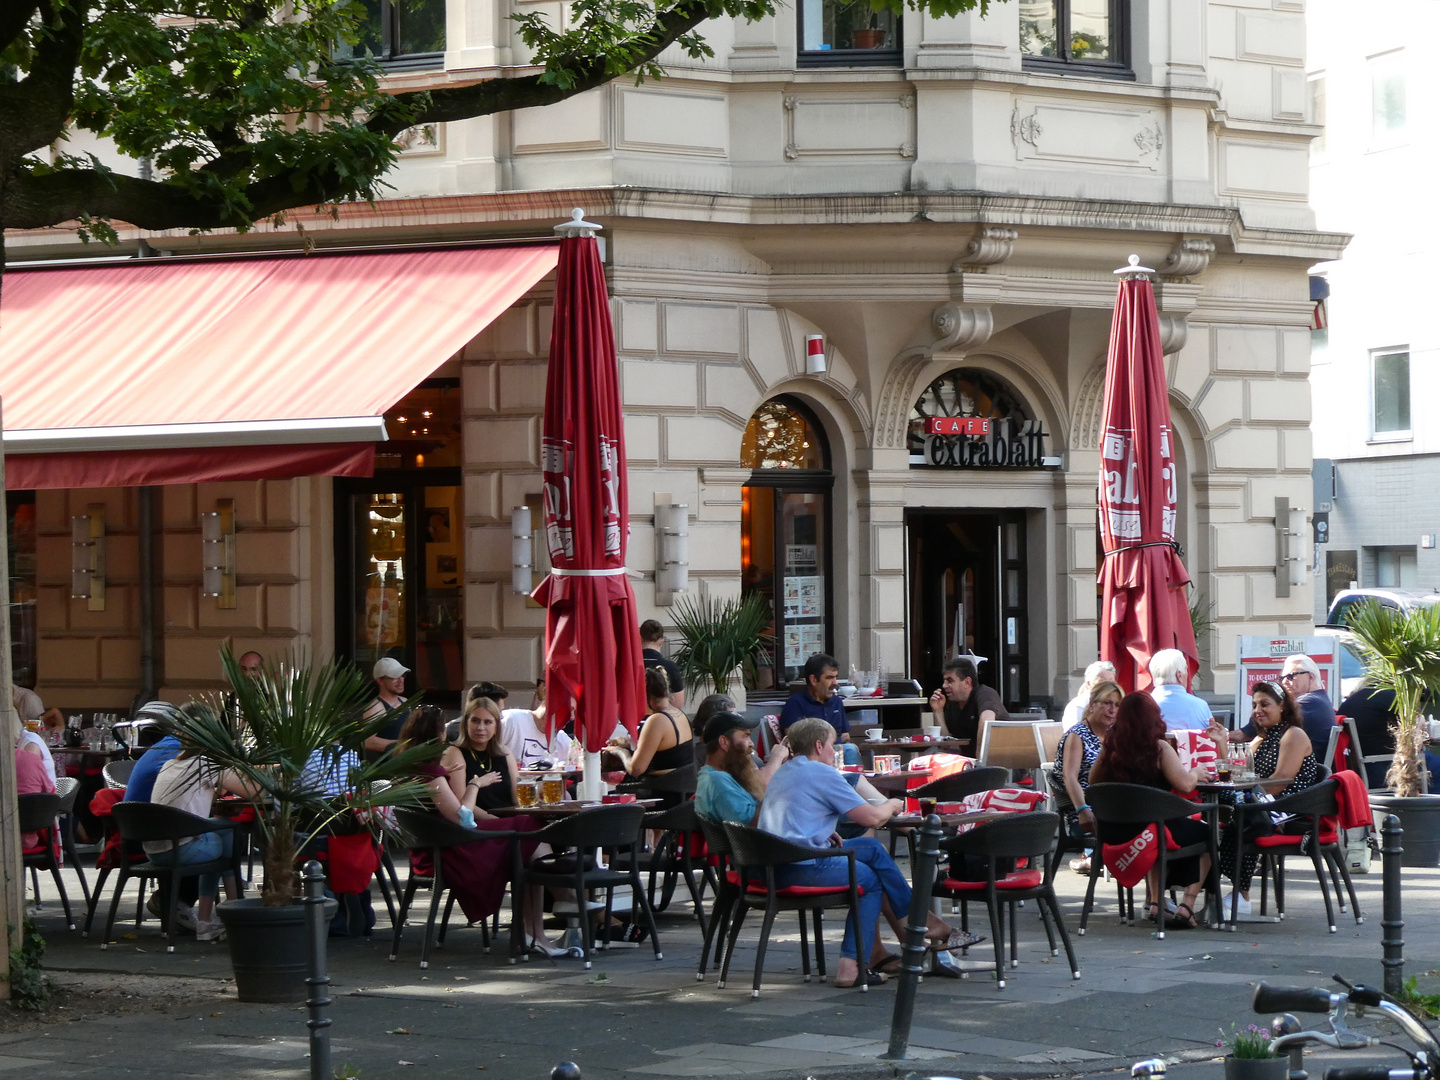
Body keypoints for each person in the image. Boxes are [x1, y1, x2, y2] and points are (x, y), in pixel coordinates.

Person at [757, 717, 979, 988]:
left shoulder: (787, 770)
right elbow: (873, 818)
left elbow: (793, 811)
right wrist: (893, 804)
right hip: (800, 866)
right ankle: (851, 965)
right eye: (831, 744)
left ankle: (913, 928)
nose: (834, 750)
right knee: (869, 880)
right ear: (818, 745)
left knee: (872, 848)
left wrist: (819, 829)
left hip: (774, 863)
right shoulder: (822, 772)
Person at [398, 705, 561, 956]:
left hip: (435, 846)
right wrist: (475, 783)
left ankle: (545, 920)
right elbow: (463, 818)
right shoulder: (430, 774)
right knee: (528, 828)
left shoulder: (408, 767)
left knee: (527, 837)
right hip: (447, 853)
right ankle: (564, 900)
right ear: (438, 734)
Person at [1088, 692, 1214, 929]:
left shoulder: (1110, 750)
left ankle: (1156, 902)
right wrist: (1196, 772)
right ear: (1153, 718)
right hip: (1152, 832)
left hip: (1115, 833)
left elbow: (1093, 783)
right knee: (1208, 834)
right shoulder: (1159, 749)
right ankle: (1187, 905)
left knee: (1159, 826)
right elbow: (1185, 784)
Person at [1216, 681, 1323, 914]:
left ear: (1282, 706)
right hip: (1265, 806)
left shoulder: (1294, 735)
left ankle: (1239, 895)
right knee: (1225, 807)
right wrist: (1221, 745)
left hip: (1292, 810)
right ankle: (1217, 886)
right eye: (1254, 705)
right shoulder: (1259, 739)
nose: (1257, 710)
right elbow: (1237, 775)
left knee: (1241, 815)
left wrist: (1243, 791)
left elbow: (1279, 782)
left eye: (1265, 704)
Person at [145, 741, 255, 942]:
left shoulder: (170, 763)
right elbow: (256, 792)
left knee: (222, 828)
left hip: (154, 850)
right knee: (228, 834)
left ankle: (217, 917)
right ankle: (232, 912)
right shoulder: (207, 763)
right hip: (180, 849)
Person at [1212, 655, 1337, 762]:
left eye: (1291, 676)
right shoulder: (1319, 700)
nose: (1285, 682)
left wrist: (1217, 736)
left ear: (1310, 677)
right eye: (1282, 678)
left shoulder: (1308, 703)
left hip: (1300, 782)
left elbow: (1244, 736)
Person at [1053, 679, 1122, 856]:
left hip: (1113, 807)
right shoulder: (1077, 735)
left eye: (1117, 705)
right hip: (1086, 813)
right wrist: (1083, 809)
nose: (1112, 710)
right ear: (1092, 705)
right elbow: (1070, 777)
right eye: (1107, 703)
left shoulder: (1114, 734)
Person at [695, 710, 790, 826]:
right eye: (746, 736)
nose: (752, 744)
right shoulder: (717, 780)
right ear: (724, 742)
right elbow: (753, 822)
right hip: (758, 843)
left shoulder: (719, 775)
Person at [1339, 686, 1440, 790]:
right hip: (1387, 769)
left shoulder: (1353, 699)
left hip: (1357, 770)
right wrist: (1421, 723)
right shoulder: (1392, 697)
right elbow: (1416, 745)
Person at [441, 696, 520, 815]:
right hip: (478, 825)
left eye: (487, 722)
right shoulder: (454, 752)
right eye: (475, 721)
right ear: (466, 723)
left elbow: (517, 798)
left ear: (496, 727)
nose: (480, 728)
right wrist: (498, 822)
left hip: (511, 820)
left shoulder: (505, 753)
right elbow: (461, 805)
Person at [621, 667, 695, 787]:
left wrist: (621, 752)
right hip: (682, 792)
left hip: (659, 793)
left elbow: (636, 769)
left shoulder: (657, 720)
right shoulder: (680, 714)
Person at [778, 653, 857, 766]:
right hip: (811, 758)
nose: (835, 683)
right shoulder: (796, 703)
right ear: (814, 680)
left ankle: (853, 780)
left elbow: (845, 735)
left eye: (836, 677)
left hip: (837, 756)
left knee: (850, 748)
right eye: (829, 678)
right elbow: (794, 739)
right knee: (850, 749)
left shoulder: (837, 702)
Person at [927, 655, 1009, 745]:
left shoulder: (985, 694)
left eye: (950, 681)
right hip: (969, 758)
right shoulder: (952, 702)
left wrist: (980, 758)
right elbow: (945, 744)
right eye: (944, 681)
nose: (944, 685)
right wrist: (938, 711)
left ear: (967, 682)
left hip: (1000, 754)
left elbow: (987, 721)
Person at [500, 678, 572, 768]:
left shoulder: (561, 739)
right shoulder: (513, 720)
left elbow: (579, 765)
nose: (572, 717)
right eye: (569, 709)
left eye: (574, 712)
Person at [1148, 649, 1212, 731]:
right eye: (1186, 670)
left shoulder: (1142, 706)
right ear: (1179, 675)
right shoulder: (1200, 705)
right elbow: (1211, 739)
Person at [15, 729, 55, 852]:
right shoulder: (31, 757)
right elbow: (51, 793)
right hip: (32, 835)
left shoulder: (31, 743)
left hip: (14, 839)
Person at [362, 657, 411, 755]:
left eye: (402, 675)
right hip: (389, 763)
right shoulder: (376, 707)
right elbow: (367, 741)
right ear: (380, 681)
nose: (400, 680)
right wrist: (401, 745)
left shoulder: (405, 702)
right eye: (394, 677)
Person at [639, 619, 686, 709]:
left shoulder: (628, 667)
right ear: (661, 642)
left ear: (640, 638)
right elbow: (678, 704)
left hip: (633, 720)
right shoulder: (670, 667)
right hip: (661, 719)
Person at [1060, 661, 1116, 731]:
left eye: (1111, 683)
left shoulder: (1116, 704)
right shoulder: (1078, 706)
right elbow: (1075, 735)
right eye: (1102, 682)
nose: (1108, 687)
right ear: (1088, 684)